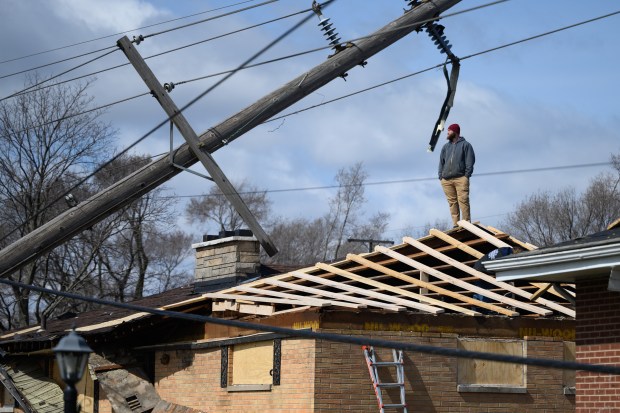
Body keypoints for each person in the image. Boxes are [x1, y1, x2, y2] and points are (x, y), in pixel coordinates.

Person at [438, 123, 475, 227]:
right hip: (446, 180)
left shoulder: (466, 145)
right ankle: (456, 224)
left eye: (449, 130)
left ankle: (466, 224)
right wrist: (441, 176)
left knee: (463, 201)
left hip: (461, 178)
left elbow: (470, 161)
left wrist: (466, 175)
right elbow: (441, 162)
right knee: (452, 203)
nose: (447, 132)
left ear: (455, 132)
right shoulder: (445, 147)